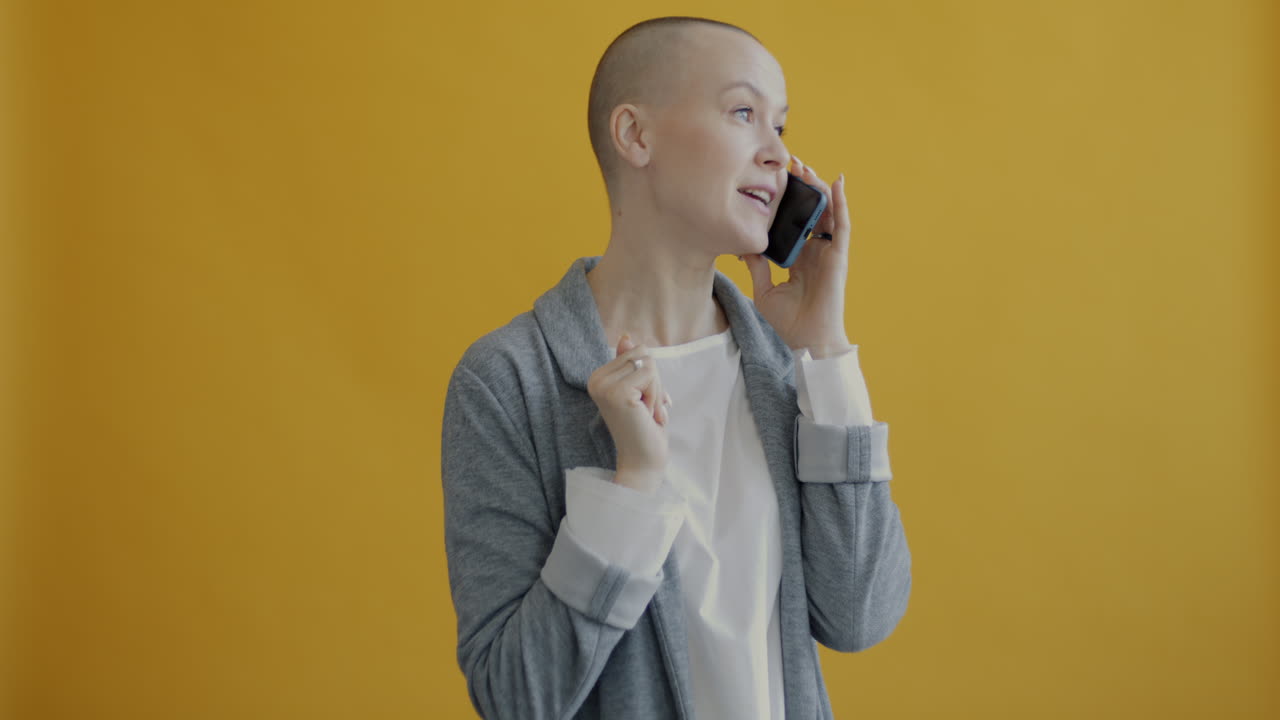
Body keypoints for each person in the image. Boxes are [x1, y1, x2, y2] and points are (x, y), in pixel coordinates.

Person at [441, 16, 910, 720]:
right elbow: (516, 697)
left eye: (780, 126)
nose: (778, 154)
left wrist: (824, 353)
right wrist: (629, 491)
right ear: (636, 136)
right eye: (744, 113)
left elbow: (861, 613)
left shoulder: (783, 367)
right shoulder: (508, 381)